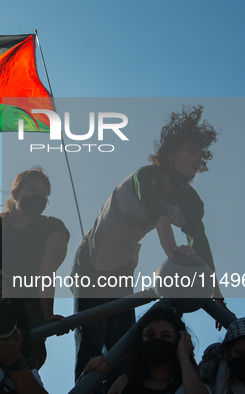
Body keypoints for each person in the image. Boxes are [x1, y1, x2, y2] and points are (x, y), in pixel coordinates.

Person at [72, 106, 226, 391]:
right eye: (191, 151)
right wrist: (173, 254)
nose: (197, 158)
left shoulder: (192, 202)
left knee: (123, 343)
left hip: (120, 269)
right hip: (91, 262)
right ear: (170, 155)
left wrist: (215, 292)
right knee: (92, 340)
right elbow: (160, 217)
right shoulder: (147, 176)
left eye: (200, 154)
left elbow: (200, 245)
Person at [0, 167, 70, 368]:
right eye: (32, 189)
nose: (38, 196)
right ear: (16, 193)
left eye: (43, 193)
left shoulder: (53, 227)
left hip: (28, 309)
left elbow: (47, 271)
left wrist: (48, 315)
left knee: (21, 365)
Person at [83, 306, 208, 394]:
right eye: (150, 335)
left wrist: (184, 357)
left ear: (179, 341)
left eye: (166, 335)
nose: (157, 340)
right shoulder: (123, 384)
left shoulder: (189, 384)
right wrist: (86, 381)